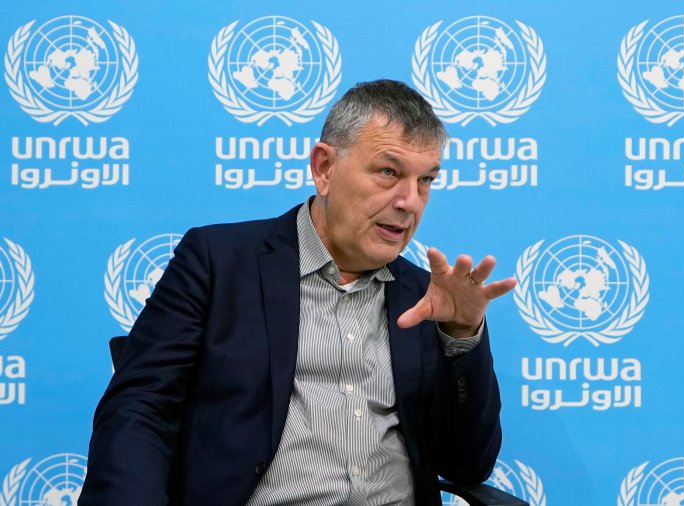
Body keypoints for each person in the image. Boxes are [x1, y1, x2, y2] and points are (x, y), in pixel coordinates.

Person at [80, 80, 517, 506]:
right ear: (324, 168)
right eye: (389, 172)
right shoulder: (218, 262)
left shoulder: (425, 298)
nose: (410, 201)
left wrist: (462, 335)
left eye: (426, 181)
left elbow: (468, 465)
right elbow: (139, 411)